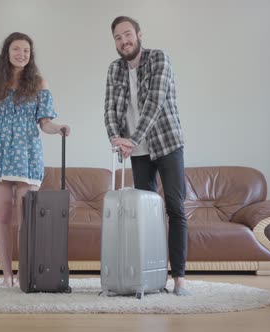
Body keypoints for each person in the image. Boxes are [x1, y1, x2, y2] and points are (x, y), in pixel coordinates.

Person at [0, 32, 71, 288]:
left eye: (26, 51)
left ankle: (26, 273)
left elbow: (45, 123)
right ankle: (7, 276)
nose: (22, 54)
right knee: (3, 216)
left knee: (27, 219)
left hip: (28, 155)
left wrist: (58, 127)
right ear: (7, 53)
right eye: (17, 49)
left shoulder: (39, 84)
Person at [104, 16, 189, 295]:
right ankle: (149, 277)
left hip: (167, 143)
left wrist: (132, 139)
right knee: (144, 216)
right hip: (136, 151)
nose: (124, 40)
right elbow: (109, 110)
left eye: (127, 34)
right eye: (118, 37)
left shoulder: (159, 59)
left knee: (175, 208)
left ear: (139, 35)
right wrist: (116, 140)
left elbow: (155, 103)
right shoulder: (114, 70)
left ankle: (179, 278)